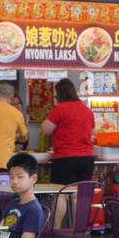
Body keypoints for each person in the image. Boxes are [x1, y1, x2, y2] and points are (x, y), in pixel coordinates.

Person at [41, 77, 95, 226]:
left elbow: (46, 129)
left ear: (59, 94)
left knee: (61, 194)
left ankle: (56, 230)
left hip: (65, 158)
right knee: (77, 195)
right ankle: (77, 230)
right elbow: (92, 133)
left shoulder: (59, 109)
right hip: (87, 158)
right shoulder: (86, 110)